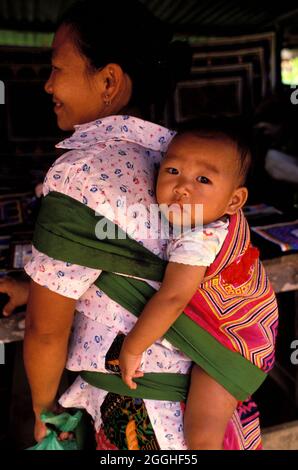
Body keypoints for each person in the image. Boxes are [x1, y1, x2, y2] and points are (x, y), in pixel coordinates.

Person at [20, 0, 275, 450]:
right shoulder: (184, 158)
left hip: (140, 406)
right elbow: (133, 266)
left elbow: (46, 329)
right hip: (207, 398)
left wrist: (45, 409)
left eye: (57, 68)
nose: (47, 84)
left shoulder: (81, 175)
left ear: (109, 81)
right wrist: (35, 285)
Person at [118, 119, 279, 449]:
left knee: (202, 431)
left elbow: (173, 298)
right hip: (240, 332)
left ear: (234, 202)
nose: (182, 187)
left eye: (203, 179)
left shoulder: (199, 239)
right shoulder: (200, 220)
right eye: (173, 171)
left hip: (234, 341)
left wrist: (134, 346)